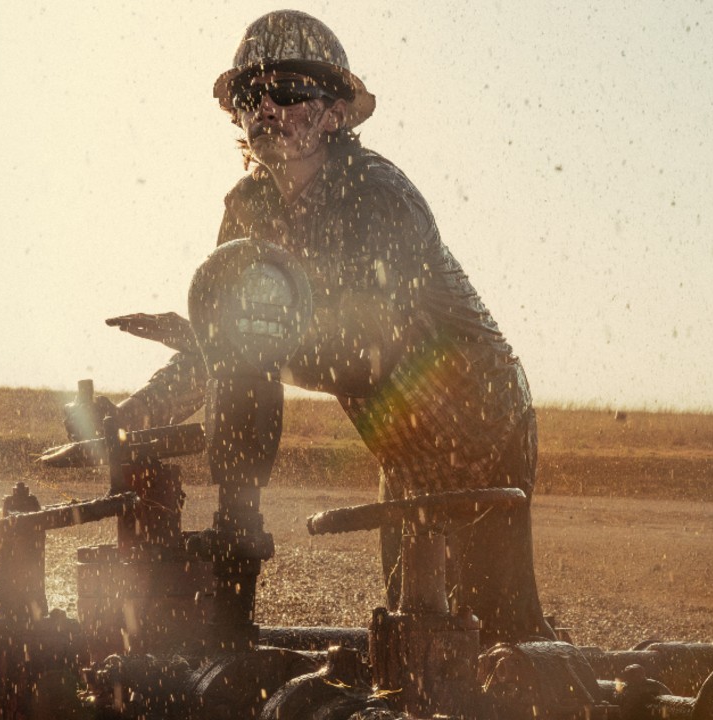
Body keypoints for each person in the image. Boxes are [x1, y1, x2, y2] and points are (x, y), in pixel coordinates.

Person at [95, 10, 554, 643]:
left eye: (287, 91)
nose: (266, 108)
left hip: (482, 426)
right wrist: (131, 417)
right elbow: (229, 346)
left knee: (498, 639)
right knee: (416, 634)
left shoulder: (378, 195)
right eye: (251, 95)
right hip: (404, 447)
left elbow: (368, 347)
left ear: (334, 113)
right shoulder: (247, 208)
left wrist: (223, 338)